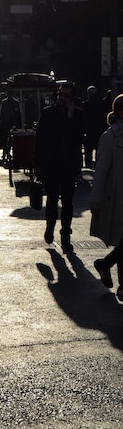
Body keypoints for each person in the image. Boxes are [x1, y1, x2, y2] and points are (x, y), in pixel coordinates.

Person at [34, 81, 85, 252]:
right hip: (51, 164)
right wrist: (38, 164)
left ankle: (66, 235)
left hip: (69, 165)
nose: (62, 98)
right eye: (60, 95)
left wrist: (70, 118)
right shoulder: (48, 113)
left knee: (68, 202)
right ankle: (50, 227)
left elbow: (77, 139)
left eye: (66, 96)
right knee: (52, 199)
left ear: (72, 98)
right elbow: (39, 139)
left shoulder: (78, 115)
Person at [90, 93, 123, 302]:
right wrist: (96, 201)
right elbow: (100, 171)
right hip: (117, 198)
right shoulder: (111, 137)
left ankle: (106, 265)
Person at [82, 85, 106, 168]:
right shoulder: (101, 104)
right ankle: (98, 164)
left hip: (89, 130)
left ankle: (88, 165)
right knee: (99, 149)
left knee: (88, 150)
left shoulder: (85, 104)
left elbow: (84, 118)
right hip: (99, 130)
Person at [0, 90, 21, 162]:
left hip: (12, 122)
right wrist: (0, 120)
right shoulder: (4, 102)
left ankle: (8, 150)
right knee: (4, 137)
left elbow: (18, 112)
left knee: (11, 137)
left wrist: (17, 121)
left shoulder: (16, 102)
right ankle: (5, 151)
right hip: (5, 121)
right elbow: (1, 111)